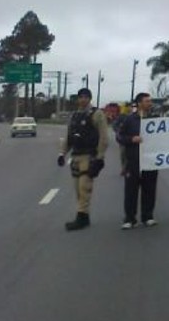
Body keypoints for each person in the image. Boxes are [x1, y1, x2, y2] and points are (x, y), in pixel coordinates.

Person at [57, 87, 110, 231]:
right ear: (77, 99)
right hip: (76, 156)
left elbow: (104, 137)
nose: (83, 99)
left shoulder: (96, 114)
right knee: (77, 189)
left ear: (90, 99)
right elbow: (69, 137)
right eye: (80, 97)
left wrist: (100, 157)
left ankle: (81, 217)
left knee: (84, 187)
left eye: (86, 97)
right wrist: (62, 154)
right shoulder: (74, 116)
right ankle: (84, 216)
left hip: (89, 156)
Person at [118, 92, 159, 229]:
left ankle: (148, 216)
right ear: (140, 103)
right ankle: (130, 218)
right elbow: (120, 136)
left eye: (150, 101)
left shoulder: (155, 119)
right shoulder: (130, 120)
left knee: (150, 190)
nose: (150, 103)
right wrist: (131, 139)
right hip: (133, 161)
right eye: (147, 101)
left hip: (150, 161)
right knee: (131, 191)